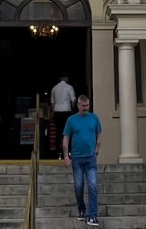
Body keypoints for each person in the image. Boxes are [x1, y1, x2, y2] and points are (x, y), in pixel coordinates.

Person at [62, 94, 102, 227]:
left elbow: (99, 133)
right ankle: (81, 209)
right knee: (78, 186)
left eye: (87, 105)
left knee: (92, 186)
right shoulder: (71, 120)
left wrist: (97, 147)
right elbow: (66, 138)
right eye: (83, 106)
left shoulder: (94, 118)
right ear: (78, 105)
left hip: (90, 158)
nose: (86, 108)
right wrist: (66, 156)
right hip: (77, 158)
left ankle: (93, 216)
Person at [50, 73, 76, 159]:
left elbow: (52, 103)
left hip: (57, 112)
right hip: (67, 112)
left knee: (58, 132)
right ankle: (68, 153)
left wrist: (52, 113)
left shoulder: (54, 88)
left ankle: (57, 152)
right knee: (68, 133)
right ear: (64, 78)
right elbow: (73, 101)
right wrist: (73, 110)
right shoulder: (69, 87)